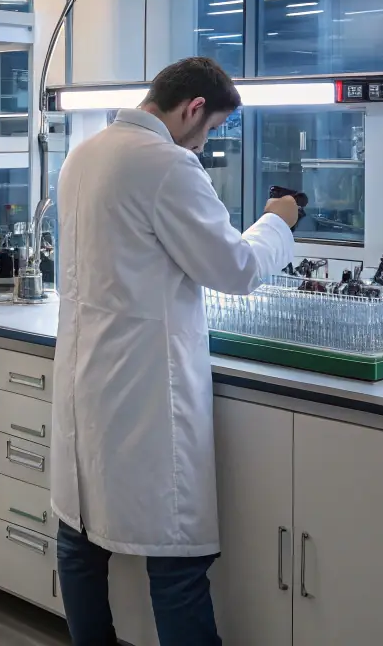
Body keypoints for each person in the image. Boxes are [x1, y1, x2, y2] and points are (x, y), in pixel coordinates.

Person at [51, 57, 299, 646]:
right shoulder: (167, 164)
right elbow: (234, 268)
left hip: (88, 377)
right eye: (210, 127)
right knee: (176, 562)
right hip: (143, 391)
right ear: (191, 109)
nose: (206, 139)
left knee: (79, 540)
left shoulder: (84, 153)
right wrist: (276, 221)